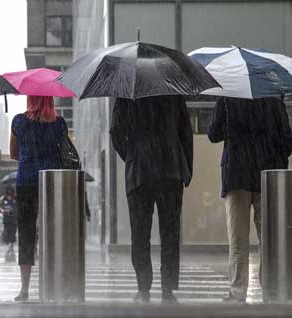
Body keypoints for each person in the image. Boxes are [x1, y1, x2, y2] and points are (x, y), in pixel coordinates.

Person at [110, 96, 193, 304]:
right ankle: (168, 289)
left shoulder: (127, 94)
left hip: (140, 173)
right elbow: (186, 133)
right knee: (170, 233)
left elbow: (116, 133)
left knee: (140, 233)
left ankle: (143, 288)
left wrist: (132, 155)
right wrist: (187, 169)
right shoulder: (173, 94)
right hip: (170, 170)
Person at [208, 97, 292, 303]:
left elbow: (213, 134)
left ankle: (238, 291)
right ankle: (272, 288)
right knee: (270, 239)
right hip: (268, 178)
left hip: (237, 175)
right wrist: (271, 156)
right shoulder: (273, 97)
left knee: (238, 240)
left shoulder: (228, 97)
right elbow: (287, 142)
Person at [10, 95, 67, 301]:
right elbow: (62, 151)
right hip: (51, 181)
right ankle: (52, 285)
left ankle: (24, 289)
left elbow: (13, 153)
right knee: (52, 233)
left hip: (26, 181)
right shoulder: (59, 123)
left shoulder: (19, 121)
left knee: (26, 232)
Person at [0, 187, 17, 253]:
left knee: (13, 232)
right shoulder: (3, 198)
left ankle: (11, 244)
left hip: (14, 217)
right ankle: (9, 244)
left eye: (10, 190)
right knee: (7, 231)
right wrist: (2, 210)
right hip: (6, 217)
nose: (9, 192)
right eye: (8, 190)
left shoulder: (15, 197)